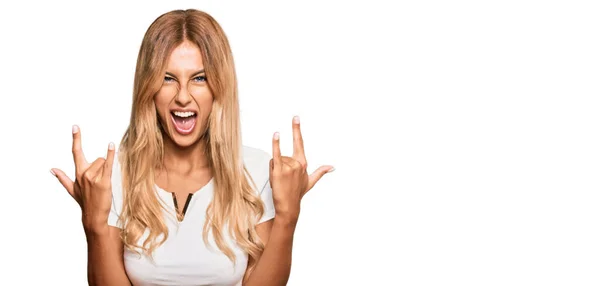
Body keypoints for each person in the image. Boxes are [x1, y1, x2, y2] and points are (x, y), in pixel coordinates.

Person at [50, 9, 334, 286]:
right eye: (167, 78)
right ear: (148, 88)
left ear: (219, 87)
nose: (183, 97)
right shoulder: (113, 177)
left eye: (199, 78)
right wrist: (94, 224)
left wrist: (288, 215)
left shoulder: (258, 171)